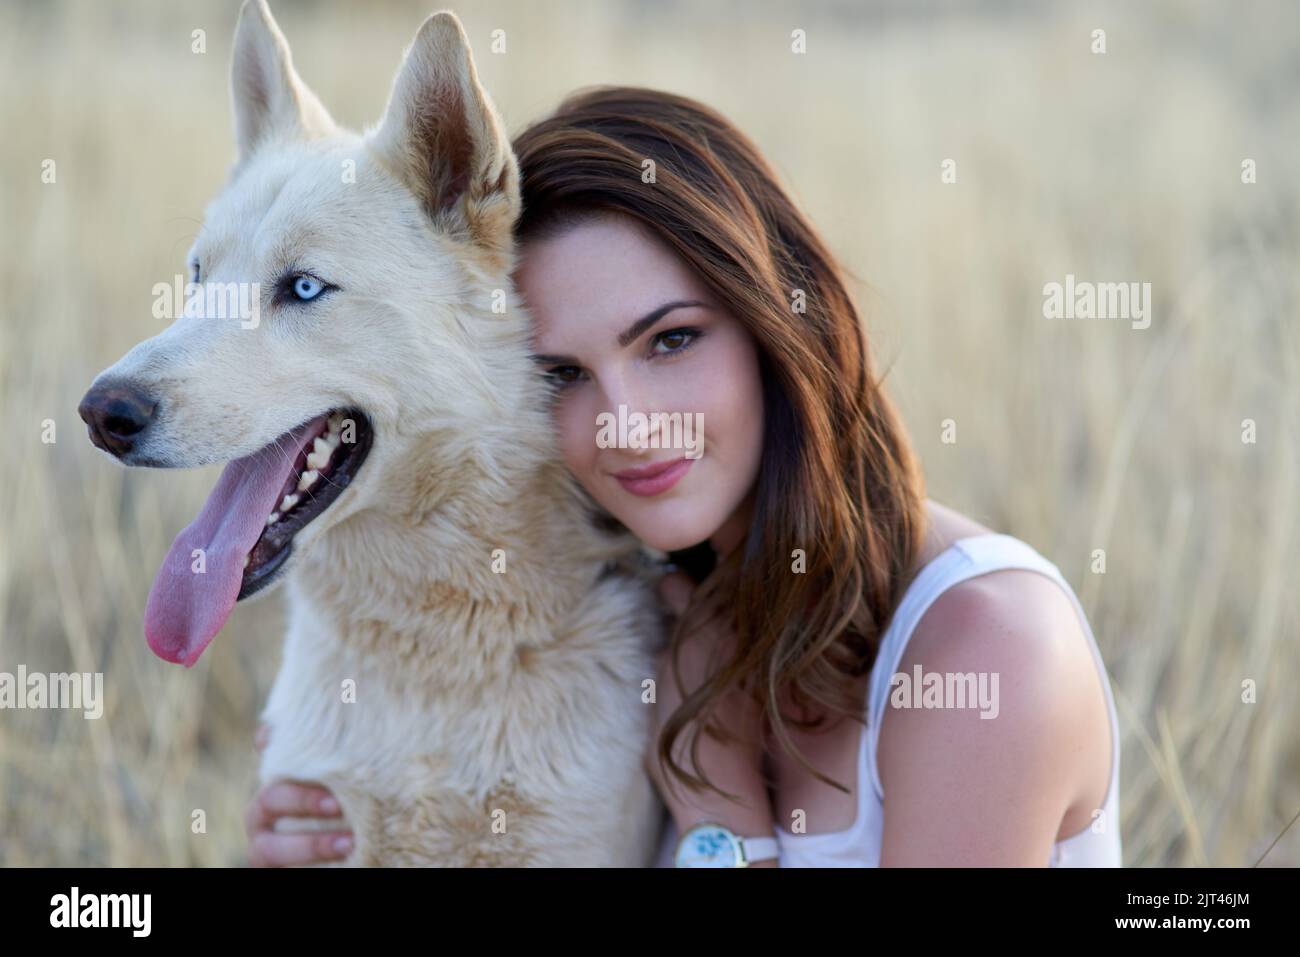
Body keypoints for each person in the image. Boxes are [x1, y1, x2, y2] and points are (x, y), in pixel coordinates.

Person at [246, 86, 1121, 868]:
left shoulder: (987, 645)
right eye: (564, 376)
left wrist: (719, 812)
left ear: (777, 318)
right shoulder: (643, 613)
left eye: (670, 340)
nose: (629, 426)